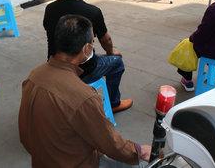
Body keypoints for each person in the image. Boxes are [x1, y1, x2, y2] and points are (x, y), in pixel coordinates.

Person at [19, 15, 151, 167]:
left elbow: (25, 134)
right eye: (92, 42)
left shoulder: (34, 75)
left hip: (41, 161)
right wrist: (139, 150)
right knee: (143, 163)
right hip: (77, 163)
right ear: (87, 48)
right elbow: (111, 144)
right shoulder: (84, 97)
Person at [43, 0, 132, 113]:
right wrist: (111, 51)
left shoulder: (50, 8)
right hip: (81, 71)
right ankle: (114, 104)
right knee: (117, 63)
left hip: (54, 64)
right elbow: (106, 40)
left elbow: (48, 29)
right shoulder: (93, 12)